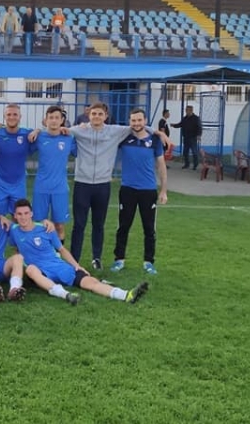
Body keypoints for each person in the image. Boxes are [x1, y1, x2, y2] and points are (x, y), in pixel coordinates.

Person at [31, 102, 170, 269]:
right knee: (79, 225)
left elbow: (138, 126)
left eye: (100, 114)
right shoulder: (78, 130)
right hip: (82, 184)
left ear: (106, 116)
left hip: (103, 185)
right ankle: (74, 259)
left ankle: (96, 258)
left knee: (98, 224)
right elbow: (56, 129)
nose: (96, 117)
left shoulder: (115, 131)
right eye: (93, 114)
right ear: (88, 115)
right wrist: (38, 130)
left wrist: (158, 132)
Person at [9, 199, 149, 306]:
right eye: (19, 214)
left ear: (31, 214)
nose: (23, 217)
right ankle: (66, 295)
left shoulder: (46, 229)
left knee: (90, 283)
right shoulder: (14, 230)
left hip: (59, 267)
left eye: (26, 213)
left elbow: (62, 249)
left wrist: (77, 266)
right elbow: (1, 224)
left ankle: (126, 295)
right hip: (41, 272)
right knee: (31, 269)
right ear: (15, 215)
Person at [112, 109, 168, 274]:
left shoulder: (155, 140)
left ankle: (148, 262)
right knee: (123, 227)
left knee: (149, 229)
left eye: (139, 120)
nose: (136, 123)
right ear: (129, 121)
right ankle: (119, 260)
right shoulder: (123, 138)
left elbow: (161, 166)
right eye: (133, 120)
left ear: (145, 121)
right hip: (127, 189)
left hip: (148, 190)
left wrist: (163, 190)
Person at [31, 105, 77, 245]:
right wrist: (37, 130)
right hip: (41, 187)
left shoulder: (68, 138)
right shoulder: (39, 137)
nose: (54, 120)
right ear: (45, 120)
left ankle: (57, 254)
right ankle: (41, 253)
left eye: (57, 117)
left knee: (59, 225)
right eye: (51, 117)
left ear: (62, 120)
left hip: (60, 188)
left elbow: (83, 147)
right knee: (40, 224)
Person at [0, 103, 33, 215]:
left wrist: (38, 130)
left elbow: (47, 134)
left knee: (19, 218)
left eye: (15, 114)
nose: (12, 117)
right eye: (9, 114)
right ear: (4, 116)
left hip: (19, 184)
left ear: (20, 117)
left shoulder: (27, 134)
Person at [172, 105, 202, 170]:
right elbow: (180, 124)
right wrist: (174, 125)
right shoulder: (185, 118)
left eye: (187, 110)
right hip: (186, 137)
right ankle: (187, 164)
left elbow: (199, 127)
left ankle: (195, 165)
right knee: (185, 152)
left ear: (191, 111)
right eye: (186, 110)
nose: (186, 111)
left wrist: (199, 135)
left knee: (194, 152)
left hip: (193, 138)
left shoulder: (196, 118)